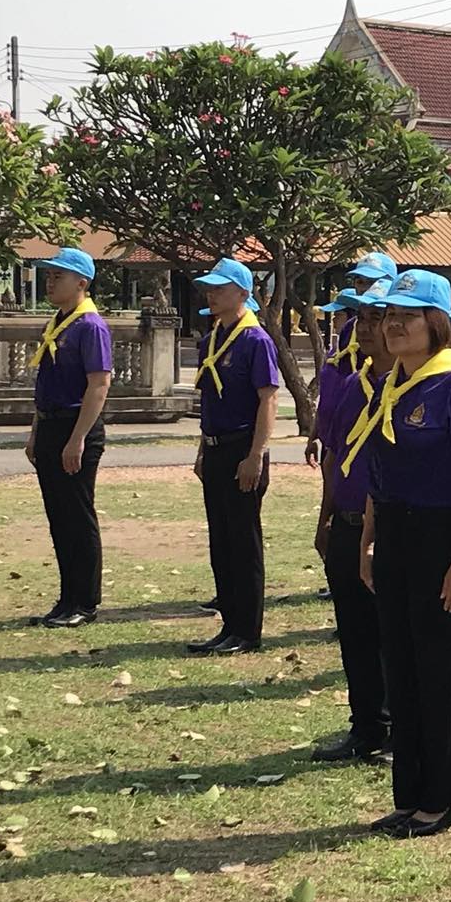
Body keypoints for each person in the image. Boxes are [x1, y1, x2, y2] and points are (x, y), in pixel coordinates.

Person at [346, 269, 451, 838]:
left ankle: (440, 798)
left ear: (436, 323)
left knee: (434, 669)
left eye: (406, 316)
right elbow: (382, 471)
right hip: (394, 534)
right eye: (387, 316)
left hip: (438, 535)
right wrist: (367, 541)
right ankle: (407, 794)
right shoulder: (391, 384)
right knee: (398, 665)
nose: (392, 325)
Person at [311, 290, 393, 761]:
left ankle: (396, 725)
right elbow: (335, 457)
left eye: (377, 318)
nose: (364, 328)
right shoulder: (349, 383)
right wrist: (325, 517)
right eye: (360, 318)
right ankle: (365, 726)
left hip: (384, 526)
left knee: (390, 636)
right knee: (355, 634)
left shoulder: (409, 387)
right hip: (346, 521)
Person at [188, 259, 280, 655]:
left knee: (243, 542)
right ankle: (229, 623)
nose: (212, 294)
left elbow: (268, 399)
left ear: (243, 293)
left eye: (220, 288)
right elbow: (210, 399)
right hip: (216, 447)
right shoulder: (213, 338)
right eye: (210, 288)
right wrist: (201, 448)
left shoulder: (255, 340)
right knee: (221, 541)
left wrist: (256, 454)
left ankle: (247, 630)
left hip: (243, 447)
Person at [23, 248, 112, 628]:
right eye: (50, 275)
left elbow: (99, 384)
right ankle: (67, 596)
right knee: (58, 517)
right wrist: (35, 430)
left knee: (77, 515)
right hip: (51, 424)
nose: (51, 281)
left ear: (82, 283)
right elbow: (44, 384)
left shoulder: (90, 325)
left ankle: (85, 601)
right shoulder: (58, 322)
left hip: (77, 426)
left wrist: (76, 439)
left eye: (59, 276)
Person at [306, 252, 399, 467]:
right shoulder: (350, 329)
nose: (365, 287)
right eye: (360, 281)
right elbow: (334, 386)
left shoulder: (392, 334)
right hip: (339, 434)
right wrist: (316, 431)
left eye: (373, 281)